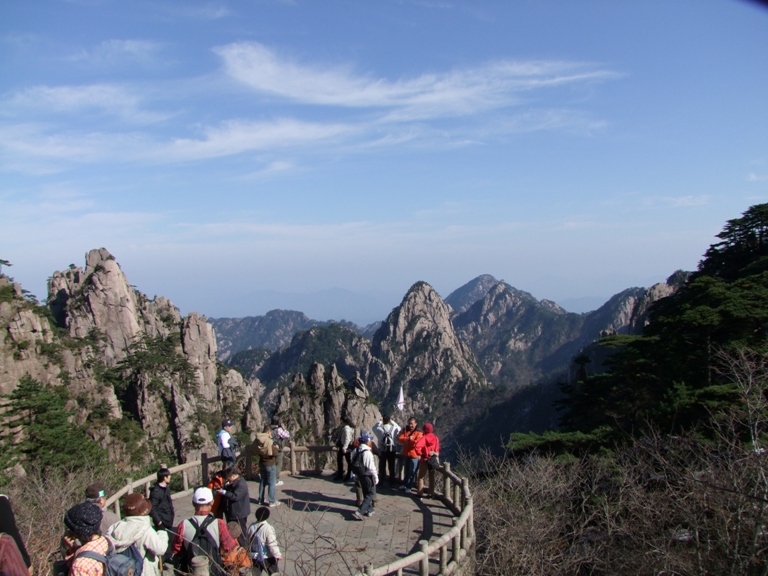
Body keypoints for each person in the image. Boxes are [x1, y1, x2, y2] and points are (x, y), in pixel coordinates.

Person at [171, 487, 238, 576]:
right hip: (213, 570)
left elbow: (175, 549)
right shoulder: (219, 524)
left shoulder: (183, 525)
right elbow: (229, 547)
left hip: (191, 570)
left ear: (193, 503)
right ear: (212, 502)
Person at [108, 493, 168, 576]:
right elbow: (160, 549)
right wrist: (162, 532)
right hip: (143, 572)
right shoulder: (145, 530)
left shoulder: (115, 527)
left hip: (121, 572)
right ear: (145, 511)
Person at [64, 502, 110, 576]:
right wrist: (73, 550)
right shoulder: (105, 541)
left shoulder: (80, 565)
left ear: (76, 531)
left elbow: (81, 566)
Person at [219, 468, 252, 547]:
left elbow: (235, 496)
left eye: (229, 478)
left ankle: (245, 549)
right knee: (231, 531)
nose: (228, 480)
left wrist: (224, 492)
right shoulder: (232, 482)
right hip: (231, 512)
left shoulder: (241, 484)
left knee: (241, 533)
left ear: (233, 476)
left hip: (239, 513)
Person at [350, 431, 378, 521]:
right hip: (367, 475)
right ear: (367, 441)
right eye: (370, 440)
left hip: (359, 474)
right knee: (371, 493)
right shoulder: (367, 452)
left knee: (366, 492)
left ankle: (369, 510)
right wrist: (376, 477)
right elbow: (371, 467)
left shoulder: (356, 450)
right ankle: (359, 512)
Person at [246, 507, 281, 576]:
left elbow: (247, 540)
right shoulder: (268, 528)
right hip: (267, 557)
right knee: (274, 574)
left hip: (254, 557)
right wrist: (277, 555)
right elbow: (271, 544)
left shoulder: (251, 526)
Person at [252, 425, 281, 507]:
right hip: (270, 463)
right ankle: (272, 501)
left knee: (262, 481)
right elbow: (274, 453)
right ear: (268, 432)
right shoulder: (269, 440)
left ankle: (260, 500)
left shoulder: (257, 440)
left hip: (262, 462)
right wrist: (277, 448)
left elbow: (253, 450)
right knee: (272, 482)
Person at [373, 415, 401, 486]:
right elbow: (399, 428)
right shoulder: (394, 428)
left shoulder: (379, 429)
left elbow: (374, 428)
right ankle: (392, 483)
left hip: (382, 450)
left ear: (383, 421)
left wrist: (380, 421)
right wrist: (392, 421)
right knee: (391, 467)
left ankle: (381, 482)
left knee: (382, 467)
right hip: (392, 450)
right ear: (389, 420)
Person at [414, 422, 441, 499]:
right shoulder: (436, 438)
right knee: (431, 477)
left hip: (425, 459)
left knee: (421, 477)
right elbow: (437, 450)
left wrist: (421, 453)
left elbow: (417, 447)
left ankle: (420, 493)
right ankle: (431, 494)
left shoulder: (424, 438)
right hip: (433, 460)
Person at [397, 418, 424, 492]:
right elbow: (400, 439)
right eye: (409, 423)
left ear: (416, 424)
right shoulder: (405, 430)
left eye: (412, 423)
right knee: (406, 470)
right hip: (406, 454)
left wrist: (410, 440)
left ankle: (409, 486)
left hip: (414, 455)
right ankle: (405, 484)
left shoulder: (419, 432)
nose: (410, 425)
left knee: (412, 471)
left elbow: (417, 442)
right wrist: (408, 438)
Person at [149, 468, 175, 535]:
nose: (170, 476)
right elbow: (152, 508)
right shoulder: (156, 492)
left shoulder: (167, 488)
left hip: (168, 518)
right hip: (162, 521)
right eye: (168, 475)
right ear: (164, 478)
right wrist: (158, 521)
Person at [269, 417, 290, 487]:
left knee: (271, 464)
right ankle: (275, 480)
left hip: (269, 449)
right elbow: (287, 436)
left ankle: (269, 479)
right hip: (278, 449)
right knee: (278, 465)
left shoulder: (268, 429)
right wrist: (284, 429)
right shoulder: (279, 430)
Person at [333, 416, 355, 481]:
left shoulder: (346, 429)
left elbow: (347, 439)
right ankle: (344, 474)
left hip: (345, 446)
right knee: (344, 460)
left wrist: (344, 447)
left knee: (346, 461)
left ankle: (345, 475)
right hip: (345, 446)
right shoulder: (346, 428)